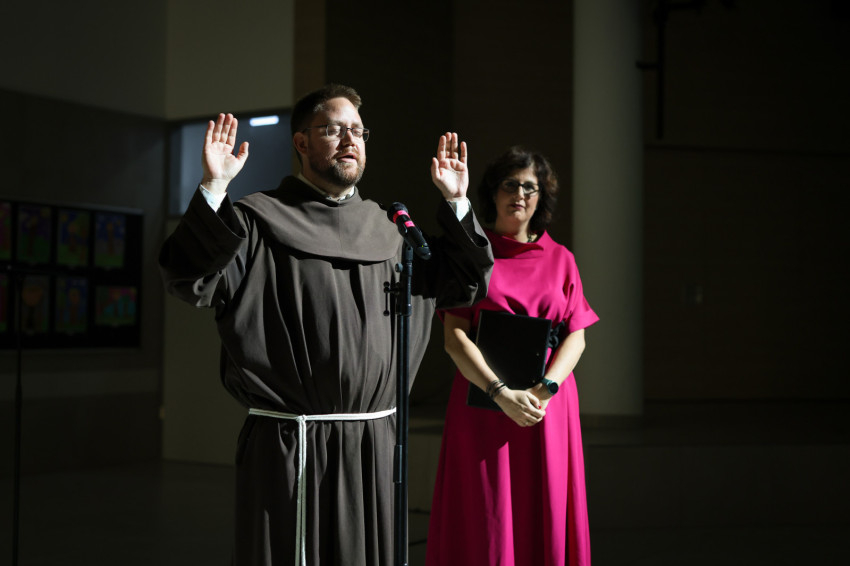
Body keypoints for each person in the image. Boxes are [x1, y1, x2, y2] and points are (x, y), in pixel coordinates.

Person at [158, 84, 493, 566]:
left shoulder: (394, 232)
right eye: (334, 129)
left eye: (358, 130)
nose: (350, 139)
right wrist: (214, 189)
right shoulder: (256, 222)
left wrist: (458, 201)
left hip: (374, 444)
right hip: (289, 446)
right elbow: (189, 279)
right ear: (301, 142)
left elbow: (466, 284)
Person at [425, 147, 599, 566]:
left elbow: (576, 336)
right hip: (483, 402)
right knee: (487, 516)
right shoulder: (472, 253)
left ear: (541, 198)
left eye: (529, 187)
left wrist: (546, 389)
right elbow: (454, 338)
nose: (519, 194)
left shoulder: (562, 259)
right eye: (510, 184)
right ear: (493, 192)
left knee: (545, 509)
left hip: (545, 405)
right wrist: (500, 392)